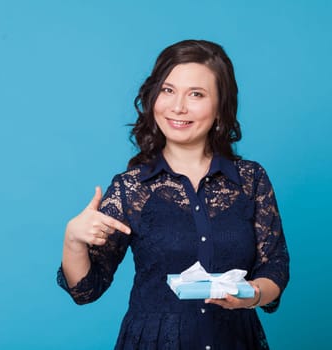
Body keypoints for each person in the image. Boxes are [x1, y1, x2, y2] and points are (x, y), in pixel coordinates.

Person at [57, 39, 289, 349]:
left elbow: (275, 267)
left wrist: (251, 295)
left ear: (221, 106)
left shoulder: (251, 179)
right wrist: (73, 240)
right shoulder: (131, 187)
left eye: (196, 94)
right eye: (168, 90)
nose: (178, 106)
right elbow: (86, 290)